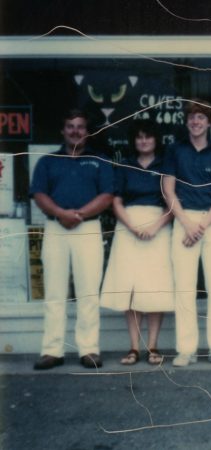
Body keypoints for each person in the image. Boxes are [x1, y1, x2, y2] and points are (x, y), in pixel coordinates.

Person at [30, 109, 114, 370]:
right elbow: (39, 194)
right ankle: (52, 350)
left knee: (88, 292)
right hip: (56, 229)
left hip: (87, 229)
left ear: (87, 132)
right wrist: (61, 213)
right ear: (63, 131)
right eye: (70, 126)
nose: (75, 131)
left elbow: (107, 195)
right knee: (54, 292)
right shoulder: (47, 162)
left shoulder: (99, 161)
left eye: (80, 126)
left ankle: (89, 349)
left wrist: (79, 215)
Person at [100, 120, 174, 365]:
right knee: (130, 288)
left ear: (156, 140)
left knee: (154, 287)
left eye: (148, 136)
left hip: (158, 227)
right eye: (139, 137)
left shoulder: (165, 166)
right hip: (128, 227)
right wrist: (131, 226)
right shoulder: (124, 166)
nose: (144, 141)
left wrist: (155, 225)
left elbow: (172, 203)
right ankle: (134, 347)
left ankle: (152, 346)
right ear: (134, 141)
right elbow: (116, 201)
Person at [162, 99, 211, 367]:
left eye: (201, 117)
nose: (196, 121)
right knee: (185, 289)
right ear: (186, 121)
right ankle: (186, 349)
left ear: (210, 122)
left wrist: (201, 225)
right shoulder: (174, 151)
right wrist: (187, 223)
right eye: (192, 117)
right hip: (183, 221)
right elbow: (168, 190)